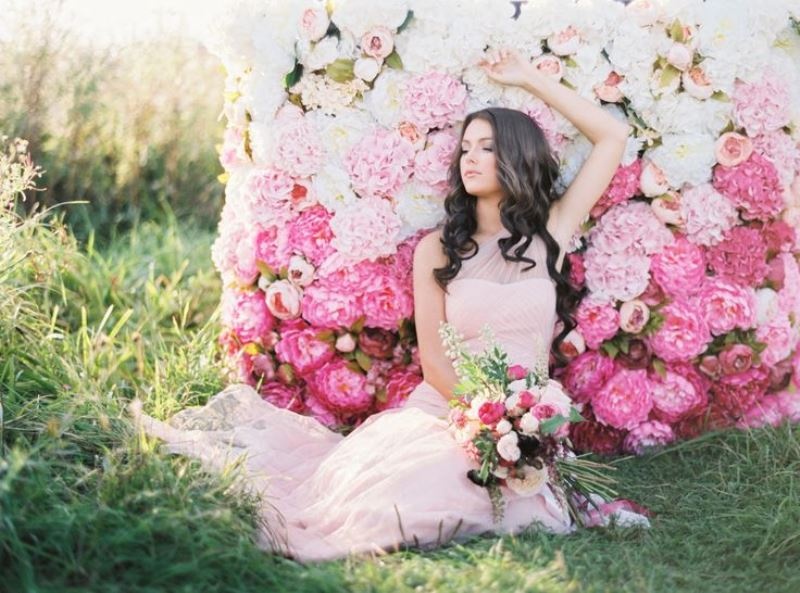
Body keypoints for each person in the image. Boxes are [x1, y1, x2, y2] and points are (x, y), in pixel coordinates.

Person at [134, 49, 640, 563]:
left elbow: (611, 137)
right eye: (465, 148)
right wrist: (492, 420)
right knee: (419, 493)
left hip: (528, 425)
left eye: (486, 147)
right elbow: (438, 365)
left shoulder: (549, 233)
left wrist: (530, 78)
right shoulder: (439, 250)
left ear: (517, 156)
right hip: (450, 413)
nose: (469, 157)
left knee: (526, 504)